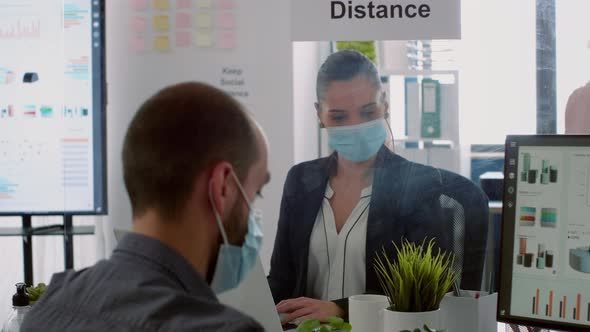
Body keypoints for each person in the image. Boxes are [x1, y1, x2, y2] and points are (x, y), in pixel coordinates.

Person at [21, 82, 271, 331]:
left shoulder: (47, 309)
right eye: (255, 192)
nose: (253, 216)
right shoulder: (226, 329)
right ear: (223, 187)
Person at [268, 50, 485, 325]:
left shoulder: (419, 187)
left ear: (385, 104)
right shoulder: (300, 180)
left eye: (367, 112)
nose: (355, 126)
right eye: (338, 117)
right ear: (319, 115)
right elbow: (281, 280)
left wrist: (340, 310)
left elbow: (425, 294)